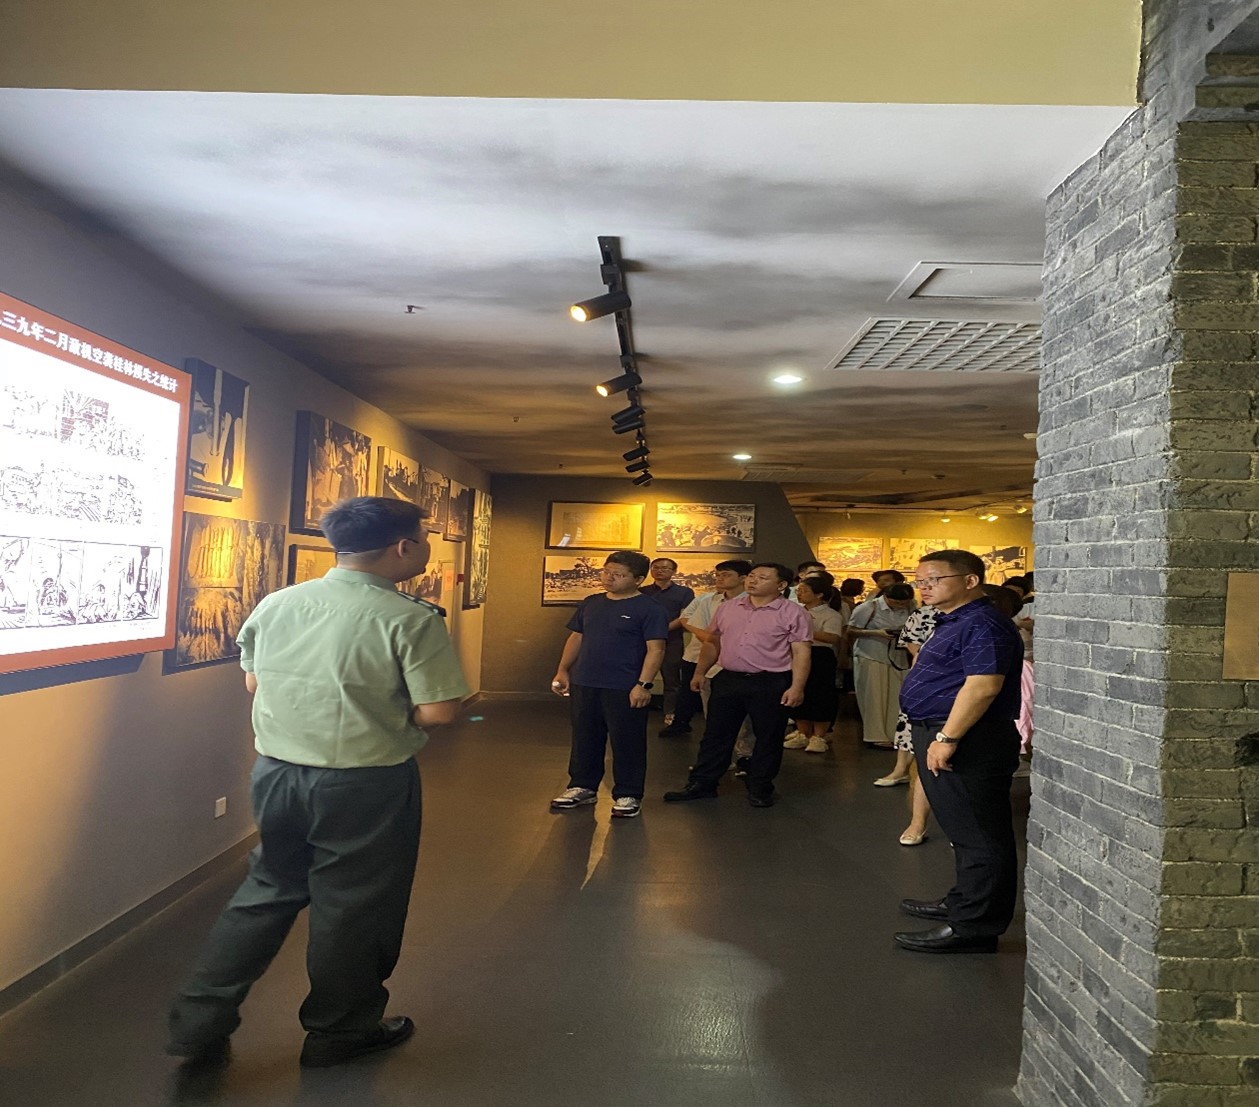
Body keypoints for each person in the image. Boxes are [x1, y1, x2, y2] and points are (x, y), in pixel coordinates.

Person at [167, 496, 469, 1068]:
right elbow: (439, 712)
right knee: (354, 906)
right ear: (403, 547)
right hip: (365, 784)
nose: (426, 548)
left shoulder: (279, 602)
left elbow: (254, 683)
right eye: (424, 538)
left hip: (276, 775)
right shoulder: (409, 618)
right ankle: (340, 1031)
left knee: (265, 891)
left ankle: (198, 1022)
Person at [894, 549, 1024, 954]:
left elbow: (983, 686)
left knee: (979, 835)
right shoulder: (955, 620)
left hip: (969, 738)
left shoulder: (983, 622)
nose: (925, 587)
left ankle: (975, 927)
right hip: (941, 731)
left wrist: (947, 738)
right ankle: (963, 902)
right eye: (920, 581)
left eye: (934, 579)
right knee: (963, 831)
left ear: (970, 580)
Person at [663, 563, 812, 807]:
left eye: (762, 577)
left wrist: (797, 687)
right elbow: (712, 642)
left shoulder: (793, 612)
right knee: (715, 734)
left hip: (770, 681)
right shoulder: (729, 607)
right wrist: (700, 672)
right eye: (751, 576)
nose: (753, 581)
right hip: (728, 678)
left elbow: (801, 652)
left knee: (768, 736)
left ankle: (761, 787)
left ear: (781, 585)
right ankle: (703, 782)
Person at [550, 551, 667, 818]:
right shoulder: (592, 603)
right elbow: (576, 637)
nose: (609, 578)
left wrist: (644, 684)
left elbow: (656, 649)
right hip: (585, 681)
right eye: (606, 571)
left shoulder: (650, 608)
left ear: (638, 579)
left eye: (618, 574)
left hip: (624, 685)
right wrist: (563, 669)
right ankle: (582, 786)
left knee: (627, 740)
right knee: (584, 736)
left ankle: (628, 793)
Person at [661, 560, 752, 738]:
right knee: (704, 702)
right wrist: (712, 639)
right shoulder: (708, 600)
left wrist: (715, 640)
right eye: (718, 575)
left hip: (732, 661)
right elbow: (691, 622)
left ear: (743, 578)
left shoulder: (750, 602)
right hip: (700, 655)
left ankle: (741, 749)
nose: (720, 579)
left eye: (726, 575)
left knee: (736, 712)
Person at [848, 582, 915, 748]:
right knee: (874, 697)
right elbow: (850, 630)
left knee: (896, 697)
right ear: (886, 597)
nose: (900, 606)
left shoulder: (911, 607)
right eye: (896, 602)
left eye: (904, 603)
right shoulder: (868, 608)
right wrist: (876, 633)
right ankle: (875, 735)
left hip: (898, 657)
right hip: (870, 655)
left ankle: (895, 734)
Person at [782, 575, 845, 753]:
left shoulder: (830, 614)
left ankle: (819, 736)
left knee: (820, 695)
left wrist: (805, 630)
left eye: (804, 591)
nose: (800, 594)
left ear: (819, 594)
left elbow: (833, 638)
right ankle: (802, 732)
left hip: (820, 656)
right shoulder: (795, 611)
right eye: (799, 590)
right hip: (796, 653)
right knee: (799, 691)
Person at [638, 557, 695, 729]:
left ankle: (670, 713)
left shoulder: (684, 592)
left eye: (664, 568)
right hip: (643, 640)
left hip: (672, 640)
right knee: (639, 675)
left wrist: (661, 630)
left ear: (673, 571)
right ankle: (637, 708)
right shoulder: (643, 591)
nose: (659, 571)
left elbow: (684, 617)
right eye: (655, 567)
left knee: (672, 679)